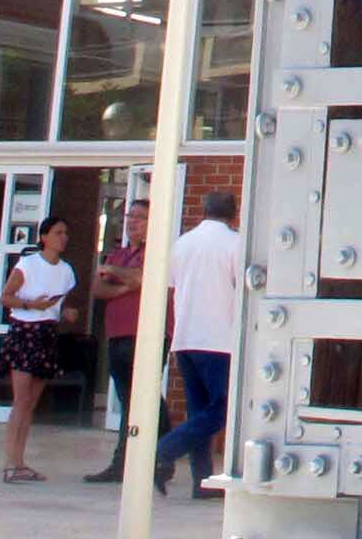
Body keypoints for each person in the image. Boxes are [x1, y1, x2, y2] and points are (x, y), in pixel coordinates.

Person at [153, 192, 243, 500]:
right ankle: (165, 449)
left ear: (204, 210)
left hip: (185, 337)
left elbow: (171, 285)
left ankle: (202, 481)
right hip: (219, 339)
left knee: (198, 412)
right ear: (234, 213)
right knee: (221, 411)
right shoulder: (235, 243)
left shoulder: (182, 244)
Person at [84, 199, 173, 484]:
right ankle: (126, 462)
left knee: (144, 395)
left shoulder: (159, 252)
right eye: (129, 215)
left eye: (140, 217)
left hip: (148, 333)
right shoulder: (119, 254)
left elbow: (144, 278)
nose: (132, 221)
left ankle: (161, 455)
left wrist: (118, 278)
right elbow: (98, 288)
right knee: (127, 398)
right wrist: (126, 282)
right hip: (117, 333)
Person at [0, 216, 79, 484]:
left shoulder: (66, 271)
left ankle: (20, 462)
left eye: (65, 233)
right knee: (20, 402)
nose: (63, 237)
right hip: (25, 331)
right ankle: (10, 462)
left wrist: (67, 312)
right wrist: (32, 306)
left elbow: (62, 303)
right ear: (44, 237)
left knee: (31, 403)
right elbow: (6, 297)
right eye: (57, 232)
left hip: (47, 333)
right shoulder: (28, 264)